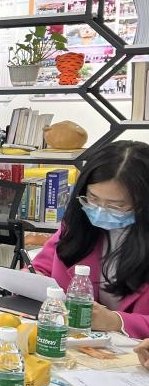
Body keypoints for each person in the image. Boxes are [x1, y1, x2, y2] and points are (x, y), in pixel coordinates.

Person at [32, 140, 149, 336]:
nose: (100, 211)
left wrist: (116, 321)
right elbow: (41, 268)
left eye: (117, 205)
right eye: (93, 198)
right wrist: (32, 281)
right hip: (74, 342)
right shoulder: (76, 226)